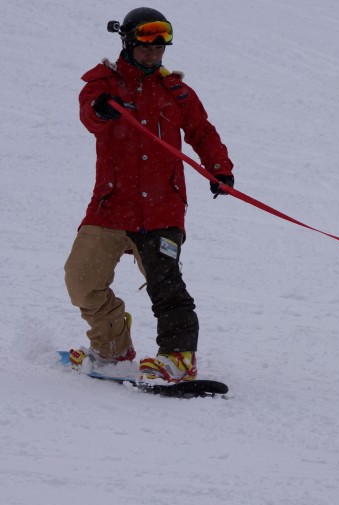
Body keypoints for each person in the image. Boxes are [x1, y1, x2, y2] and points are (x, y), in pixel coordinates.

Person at [65, 7, 234, 383]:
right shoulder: (103, 85)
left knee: (165, 282)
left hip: (161, 207)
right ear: (127, 41)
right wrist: (100, 109)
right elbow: (87, 111)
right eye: (146, 44)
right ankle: (112, 350)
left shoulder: (176, 91)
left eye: (161, 45)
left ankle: (178, 358)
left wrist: (219, 167)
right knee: (80, 279)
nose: (155, 52)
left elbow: (202, 131)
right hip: (110, 205)